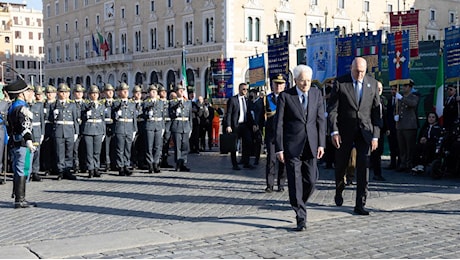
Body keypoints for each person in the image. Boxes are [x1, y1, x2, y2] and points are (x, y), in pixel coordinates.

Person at [327, 57, 381, 216]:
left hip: (365, 132)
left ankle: (360, 204)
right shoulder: (340, 83)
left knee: (364, 166)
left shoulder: (372, 84)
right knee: (341, 164)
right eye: (357, 71)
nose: (360, 74)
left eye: (363, 72)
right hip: (345, 131)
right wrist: (334, 131)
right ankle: (339, 189)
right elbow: (332, 110)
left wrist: (375, 136)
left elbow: (377, 113)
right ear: (351, 68)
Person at [275, 65, 325, 231]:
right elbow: (279, 123)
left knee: (311, 180)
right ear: (296, 80)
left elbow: (320, 121)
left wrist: (321, 144)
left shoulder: (317, 94)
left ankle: (299, 202)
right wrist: (279, 148)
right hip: (292, 146)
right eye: (303, 80)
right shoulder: (285, 96)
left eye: (309, 80)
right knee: (295, 182)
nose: (306, 84)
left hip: (311, 144)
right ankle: (300, 216)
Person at [5, 79, 37, 208]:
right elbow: (26, 127)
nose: (31, 94)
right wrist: (29, 141)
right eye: (28, 91)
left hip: (14, 142)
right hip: (22, 143)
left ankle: (18, 196)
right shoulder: (22, 108)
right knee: (23, 170)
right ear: (21, 94)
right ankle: (20, 199)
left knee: (19, 169)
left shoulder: (12, 107)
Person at [264, 74, 287, 193]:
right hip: (271, 134)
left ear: (284, 85)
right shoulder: (266, 98)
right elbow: (261, 116)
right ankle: (270, 184)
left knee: (283, 159)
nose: (278, 86)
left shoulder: (288, 98)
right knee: (271, 159)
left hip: (284, 134)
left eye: (280, 84)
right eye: (276, 84)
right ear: (272, 85)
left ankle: (281, 183)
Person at [52, 83, 79, 180]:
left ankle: (68, 170)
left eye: (65, 92)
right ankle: (60, 170)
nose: (63, 94)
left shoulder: (72, 105)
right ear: (58, 93)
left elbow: (75, 119)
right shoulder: (54, 105)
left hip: (69, 130)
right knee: (60, 152)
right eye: (61, 92)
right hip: (59, 130)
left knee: (69, 152)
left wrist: (76, 132)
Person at [225, 83, 254, 170]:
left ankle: (246, 162)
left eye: (246, 89)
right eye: (244, 89)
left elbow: (249, 114)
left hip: (245, 125)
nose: (245, 91)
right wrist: (228, 125)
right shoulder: (233, 99)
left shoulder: (247, 100)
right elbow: (229, 113)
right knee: (234, 145)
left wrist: (253, 124)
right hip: (236, 125)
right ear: (239, 89)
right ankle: (234, 164)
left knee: (247, 142)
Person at [112, 82, 138, 176]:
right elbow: (113, 116)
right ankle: (120, 166)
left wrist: (135, 129)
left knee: (128, 148)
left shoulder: (131, 103)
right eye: (123, 91)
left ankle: (126, 165)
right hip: (120, 126)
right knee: (120, 148)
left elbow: (134, 117)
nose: (125, 92)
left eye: (126, 91)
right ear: (119, 92)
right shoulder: (116, 103)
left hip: (129, 127)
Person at [395, 79, 419, 173]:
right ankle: (403, 163)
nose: (404, 88)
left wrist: (401, 98)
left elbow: (413, 104)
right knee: (402, 147)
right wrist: (395, 115)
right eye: (403, 86)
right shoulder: (400, 97)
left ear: (410, 87)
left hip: (410, 125)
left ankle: (409, 164)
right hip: (400, 125)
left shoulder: (414, 96)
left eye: (406, 86)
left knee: (410, 147)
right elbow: (397, 108)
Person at [81, 85, 105, 178]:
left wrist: (103, 132)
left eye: (96, 93)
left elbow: (103, 119)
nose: (94, 95)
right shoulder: (85, 105)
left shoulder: (101, 105)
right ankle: (90, 168)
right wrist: (86, 114)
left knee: (97, 151)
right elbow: (81, 117)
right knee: (89, 151)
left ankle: (96, 168)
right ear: (89, 95)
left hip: (98, 129)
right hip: (88, 128)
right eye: (92, 93)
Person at [169, 84, 192, 171]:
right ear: (176, 92)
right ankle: (178, 163)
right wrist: (176, 112)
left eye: (182, 90)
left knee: (185, 146)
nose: (181, 91)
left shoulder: (187, 102)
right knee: (178, 146)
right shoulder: (172, 102)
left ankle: (183, 162)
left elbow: (190, 116)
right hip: (177, 125)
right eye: (179, 90)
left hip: (185, 125)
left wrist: (190, 127)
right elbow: (170, 115)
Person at [142, 84, 165, 173]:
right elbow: (142, 115)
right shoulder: (146, 103)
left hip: (158, 125)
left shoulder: (160, 102)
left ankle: (156, 163)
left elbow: (163, 116)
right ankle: (150, 164)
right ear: (149, 93)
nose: (154, 93)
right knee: (149, 146)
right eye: (152, 91)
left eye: (155, 91)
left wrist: (163, 127)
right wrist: (147, 114)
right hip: (149, 124)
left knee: (157, 146)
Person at [370, 81, 387, 181]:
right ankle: (376, 173)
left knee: (379, 151)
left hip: (381, 129)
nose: (379, 90)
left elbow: (385, 115)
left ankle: (376, 170)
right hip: (371, 128)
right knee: (374, 153)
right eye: (378, 88)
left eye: (381, 88)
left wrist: (386, 128)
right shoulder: (370, 99)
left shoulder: (383, 100)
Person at [29, 86, 45, 181]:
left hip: (37, 130)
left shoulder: (39, 105)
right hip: (28, 131)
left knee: (37, 152)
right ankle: (28, 172)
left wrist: (42, 133)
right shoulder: (26, 104)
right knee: (28, 152)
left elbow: (42, 120)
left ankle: (35, 172)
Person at [101, 83, 116, 172]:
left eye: (111, 91)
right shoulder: (102, 103)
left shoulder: (116, 102)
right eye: (108, 91)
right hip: (105, 125)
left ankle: (114, 163)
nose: (110, 93)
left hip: (114, 125)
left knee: (114, 145)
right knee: (106, 145)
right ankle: (107, 163)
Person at [248, 88, 264, 165]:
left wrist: (257, 124)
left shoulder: (261, 102)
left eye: (252, 94)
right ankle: (250, 155)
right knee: (249, 141)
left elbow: (260, 114)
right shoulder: (249, 102)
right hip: (250, 124)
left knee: (258, 141)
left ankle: (256, 158)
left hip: (258, 125)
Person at [72, 84, 86, 173]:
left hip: (85, 128)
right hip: (75, 128)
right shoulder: (71, 104)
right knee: (75, 149)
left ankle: (84, 165)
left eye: (81, 92)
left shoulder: (86, 103)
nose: (79, 94)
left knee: (84, 148)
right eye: (77, 92)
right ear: (74, 93)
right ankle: (76, 165)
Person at [386, 85, 400, 169]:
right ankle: (393, 163)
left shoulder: (400, 99)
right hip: (391, 126)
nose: (393, 91)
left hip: (399, 126)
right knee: (392, 145)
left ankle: (400, 163)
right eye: (392, 89)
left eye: (395, 89)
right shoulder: (389, 100)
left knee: (399, 146)